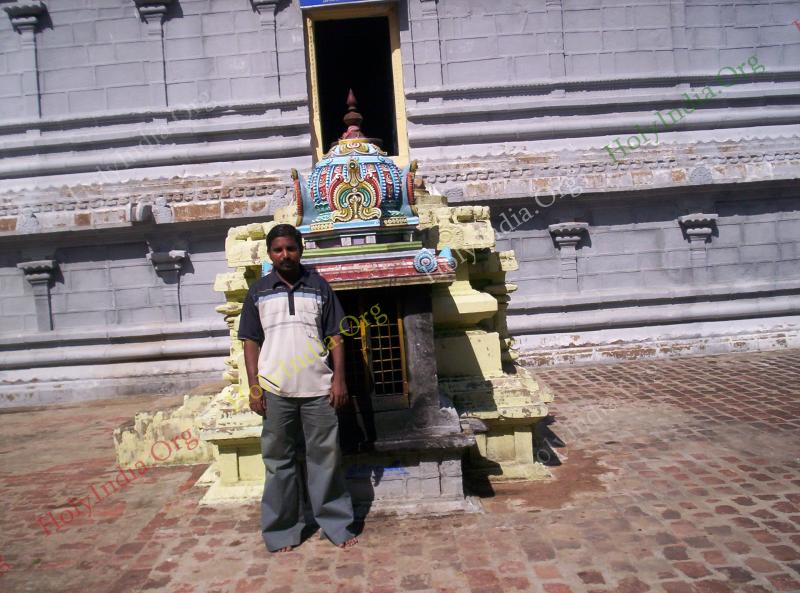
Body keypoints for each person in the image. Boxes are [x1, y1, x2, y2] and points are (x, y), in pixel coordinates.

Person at [237, 223, 358, 553]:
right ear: (269, 254)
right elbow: (250, 342)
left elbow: (336, 336)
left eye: (290, 248)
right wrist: (253, 387)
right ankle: (282, 530)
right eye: (278, 250)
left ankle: (335, 524)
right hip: (275, 392)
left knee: (326, 459)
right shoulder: (258, 292)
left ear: (300, 249)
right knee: (278, 463)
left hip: (319, 389)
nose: (285, 255)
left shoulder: (319, 287)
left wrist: (339, 379)